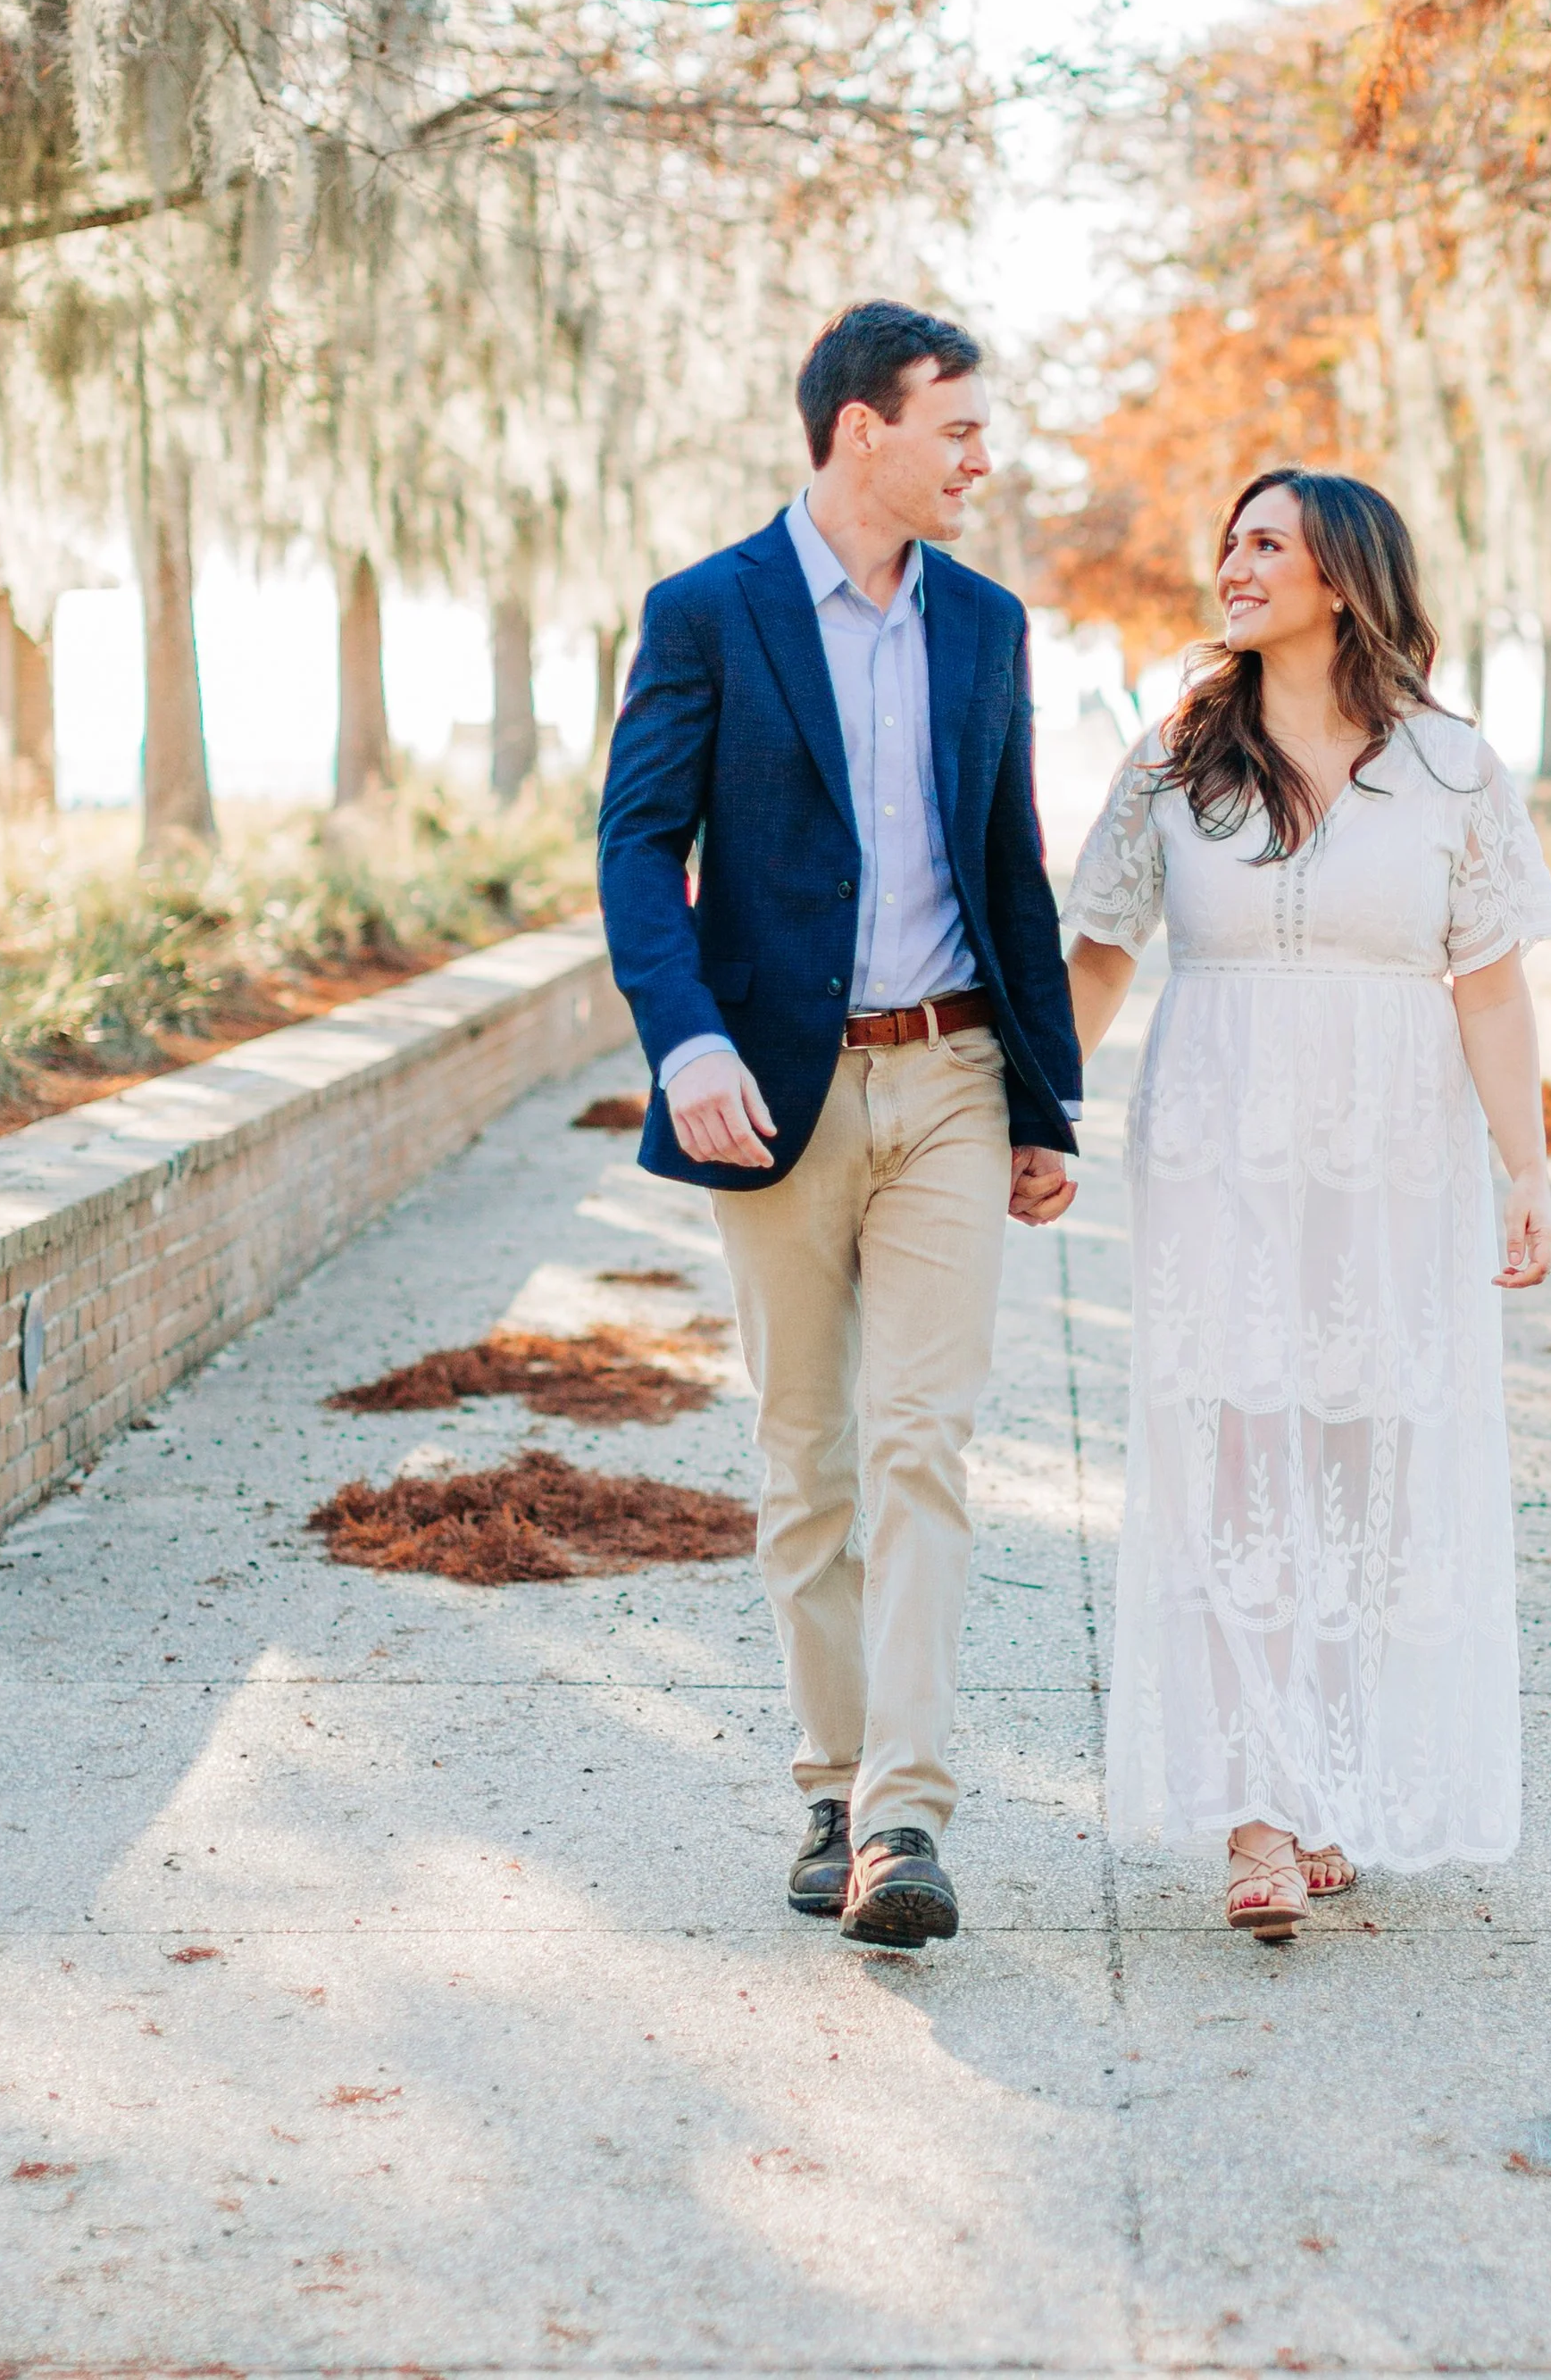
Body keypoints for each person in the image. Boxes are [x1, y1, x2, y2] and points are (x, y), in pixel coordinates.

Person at [596, 300, 1082, 1950]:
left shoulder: (990, 623)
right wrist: (685, 1041)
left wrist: (1043, 1100)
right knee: (805, 1454)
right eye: (957, 427)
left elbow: (1008, 865)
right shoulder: (706, 612)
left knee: (920, 1445)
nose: (980, 457)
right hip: (775, 1098)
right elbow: (636, 848)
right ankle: (833, 1778)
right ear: (859, 428)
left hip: (948, 1073)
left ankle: (905, 1822)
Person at [1062, 467, 1551, 1942]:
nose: (1232, 560)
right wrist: (1037, 1108)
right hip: (1219, 1142)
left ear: (1341, 577)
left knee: (1366, 1466)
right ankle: (1258, 1815)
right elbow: (1097, 950)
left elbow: (1490, 981)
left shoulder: (1455, 769)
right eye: (1228, 537)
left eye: (1266, 542)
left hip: (1396, 1154)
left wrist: (1523, 1167)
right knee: (1234, 1461)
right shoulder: (1171, 762)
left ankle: (1328, 1771)